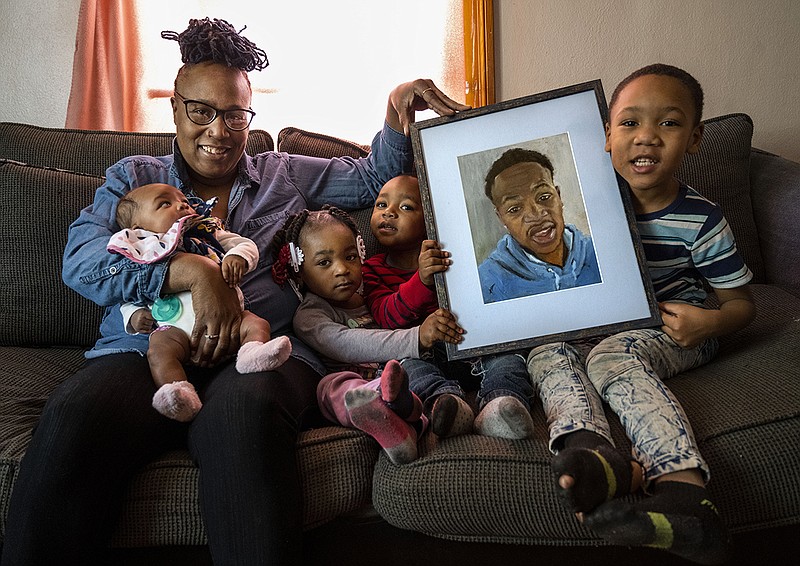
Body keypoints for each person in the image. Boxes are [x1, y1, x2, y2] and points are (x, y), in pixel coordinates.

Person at [0, 17, 468, 566]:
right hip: (141, 352)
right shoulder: (134, 179)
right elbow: (80, 263)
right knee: (75, 416)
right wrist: (191, 272)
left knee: (243, 422)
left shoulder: (283, 174)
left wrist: (395, 106)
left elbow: (370, 182)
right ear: (175, 108)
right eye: (202, 111)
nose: (219, 131)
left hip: (261, 353)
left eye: (235, 115)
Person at [526, 63, 756, 565]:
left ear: (695, 140)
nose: (646, 137)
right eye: (629, 123)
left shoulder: (701, 218)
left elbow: (742, 304)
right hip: (607, 323)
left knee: (610, 358)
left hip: (681, 325)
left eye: (668, 124)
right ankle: (592, 453)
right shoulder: (589, 203)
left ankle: (685, 493)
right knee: (546, 351)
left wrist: (712, 322)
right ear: (606, 136)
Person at [270, 205, 464, 464]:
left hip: (403, 372)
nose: (341, 269)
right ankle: (383, 411)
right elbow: (348, 345)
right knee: (330, 388)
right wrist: (415, 337)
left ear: (361, 253)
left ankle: (416, 411)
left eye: (350, 257)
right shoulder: (310, 315)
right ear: (299, 271)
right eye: (325, 262)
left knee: (413, 367)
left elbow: (402, 307)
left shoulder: (373, 292)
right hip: (357, 381)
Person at [363, 173, 536, 439]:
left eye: (406, 207)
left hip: (472, 347)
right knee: (406, 368)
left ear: (429, 219)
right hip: (424, 356)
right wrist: (420, 281)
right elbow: (386, 316)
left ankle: (499, 406)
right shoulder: (372, 269)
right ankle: (448, 406)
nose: (389, 213)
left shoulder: (453, 256)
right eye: (381, 205)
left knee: (509, 359)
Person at [109, 182, 292, 422]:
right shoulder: (139, 249)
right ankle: (178, 392)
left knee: (257, 324)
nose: (182, 204)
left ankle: (252, 353)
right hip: (174, 329)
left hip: (231, 320)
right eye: (165, 203)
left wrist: (238, 256)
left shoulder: (205, 231)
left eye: (183, 200)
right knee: (159, 351)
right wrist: (133, 316)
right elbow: (129, 291)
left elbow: (244, 244)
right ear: (138, 227)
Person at [478, 148, 601, 303]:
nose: (535, 214)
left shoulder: (599, 252)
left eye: (544, 197)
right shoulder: (488, 281)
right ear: (501, 218)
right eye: (515, 209)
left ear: (559, 196)